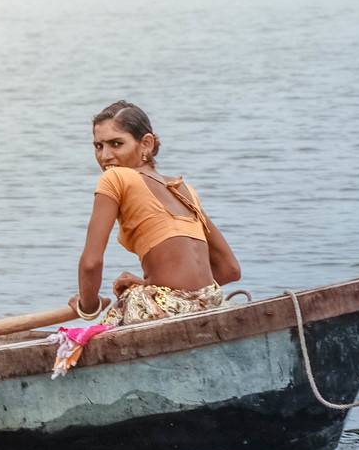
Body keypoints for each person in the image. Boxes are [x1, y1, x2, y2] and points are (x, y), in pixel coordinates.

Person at [71, 101, 240, 325]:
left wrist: (88, 306)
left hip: (168, 312)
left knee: (85, 337)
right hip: (210, 305)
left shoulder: (115, 177)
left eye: (116, 144)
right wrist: (152, 287)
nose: (105, 156)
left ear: (146, 144)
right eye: (98, 146)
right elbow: (229, 269)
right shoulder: (183, 189)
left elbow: (91, 263)